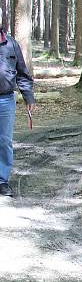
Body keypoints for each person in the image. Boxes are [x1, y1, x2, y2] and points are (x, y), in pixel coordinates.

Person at [0, 26, 34, 197]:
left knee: (4, 141)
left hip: (5, 100)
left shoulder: (11, 43)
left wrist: (28, 97)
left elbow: (22, 73)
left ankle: (2, 181)